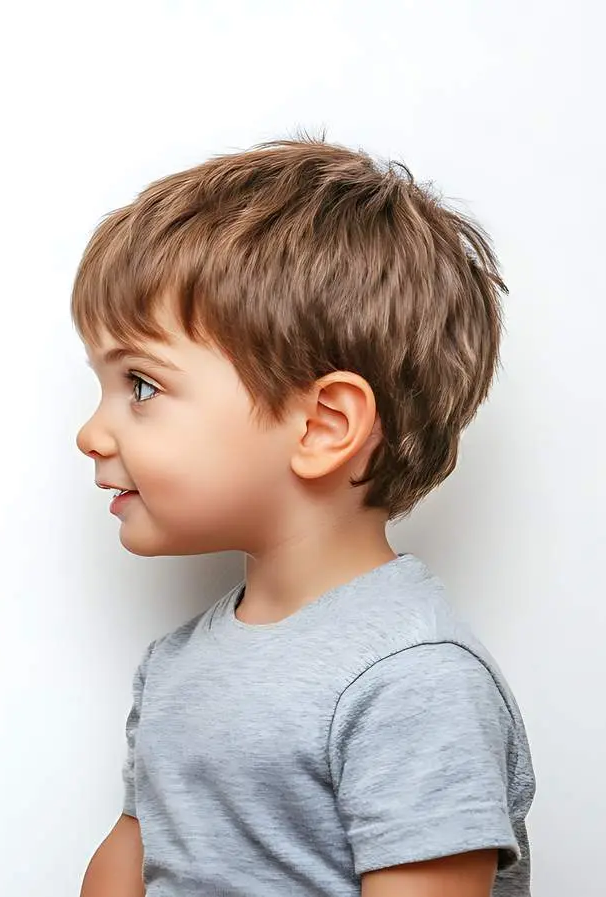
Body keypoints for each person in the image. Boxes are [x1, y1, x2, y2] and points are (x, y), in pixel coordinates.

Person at [73, 139, 535, 897]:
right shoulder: (177, 663)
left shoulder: (410, 679)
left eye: (143, 386)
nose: (92, 432)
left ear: (324, 425)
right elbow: (131, 855)